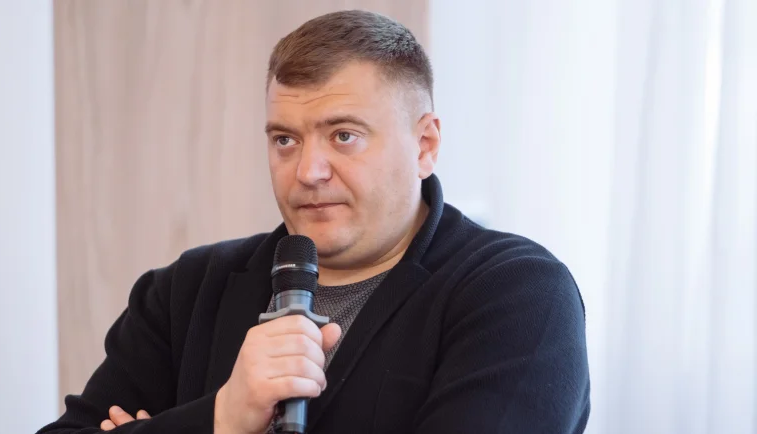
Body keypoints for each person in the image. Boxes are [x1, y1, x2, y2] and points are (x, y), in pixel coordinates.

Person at [38, 10, 590, 434]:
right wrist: (224, 416)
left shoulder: (518, 294)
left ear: (424, 145)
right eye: (285, 140)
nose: (308, 171)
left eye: (343, 135)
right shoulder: (186, 289)